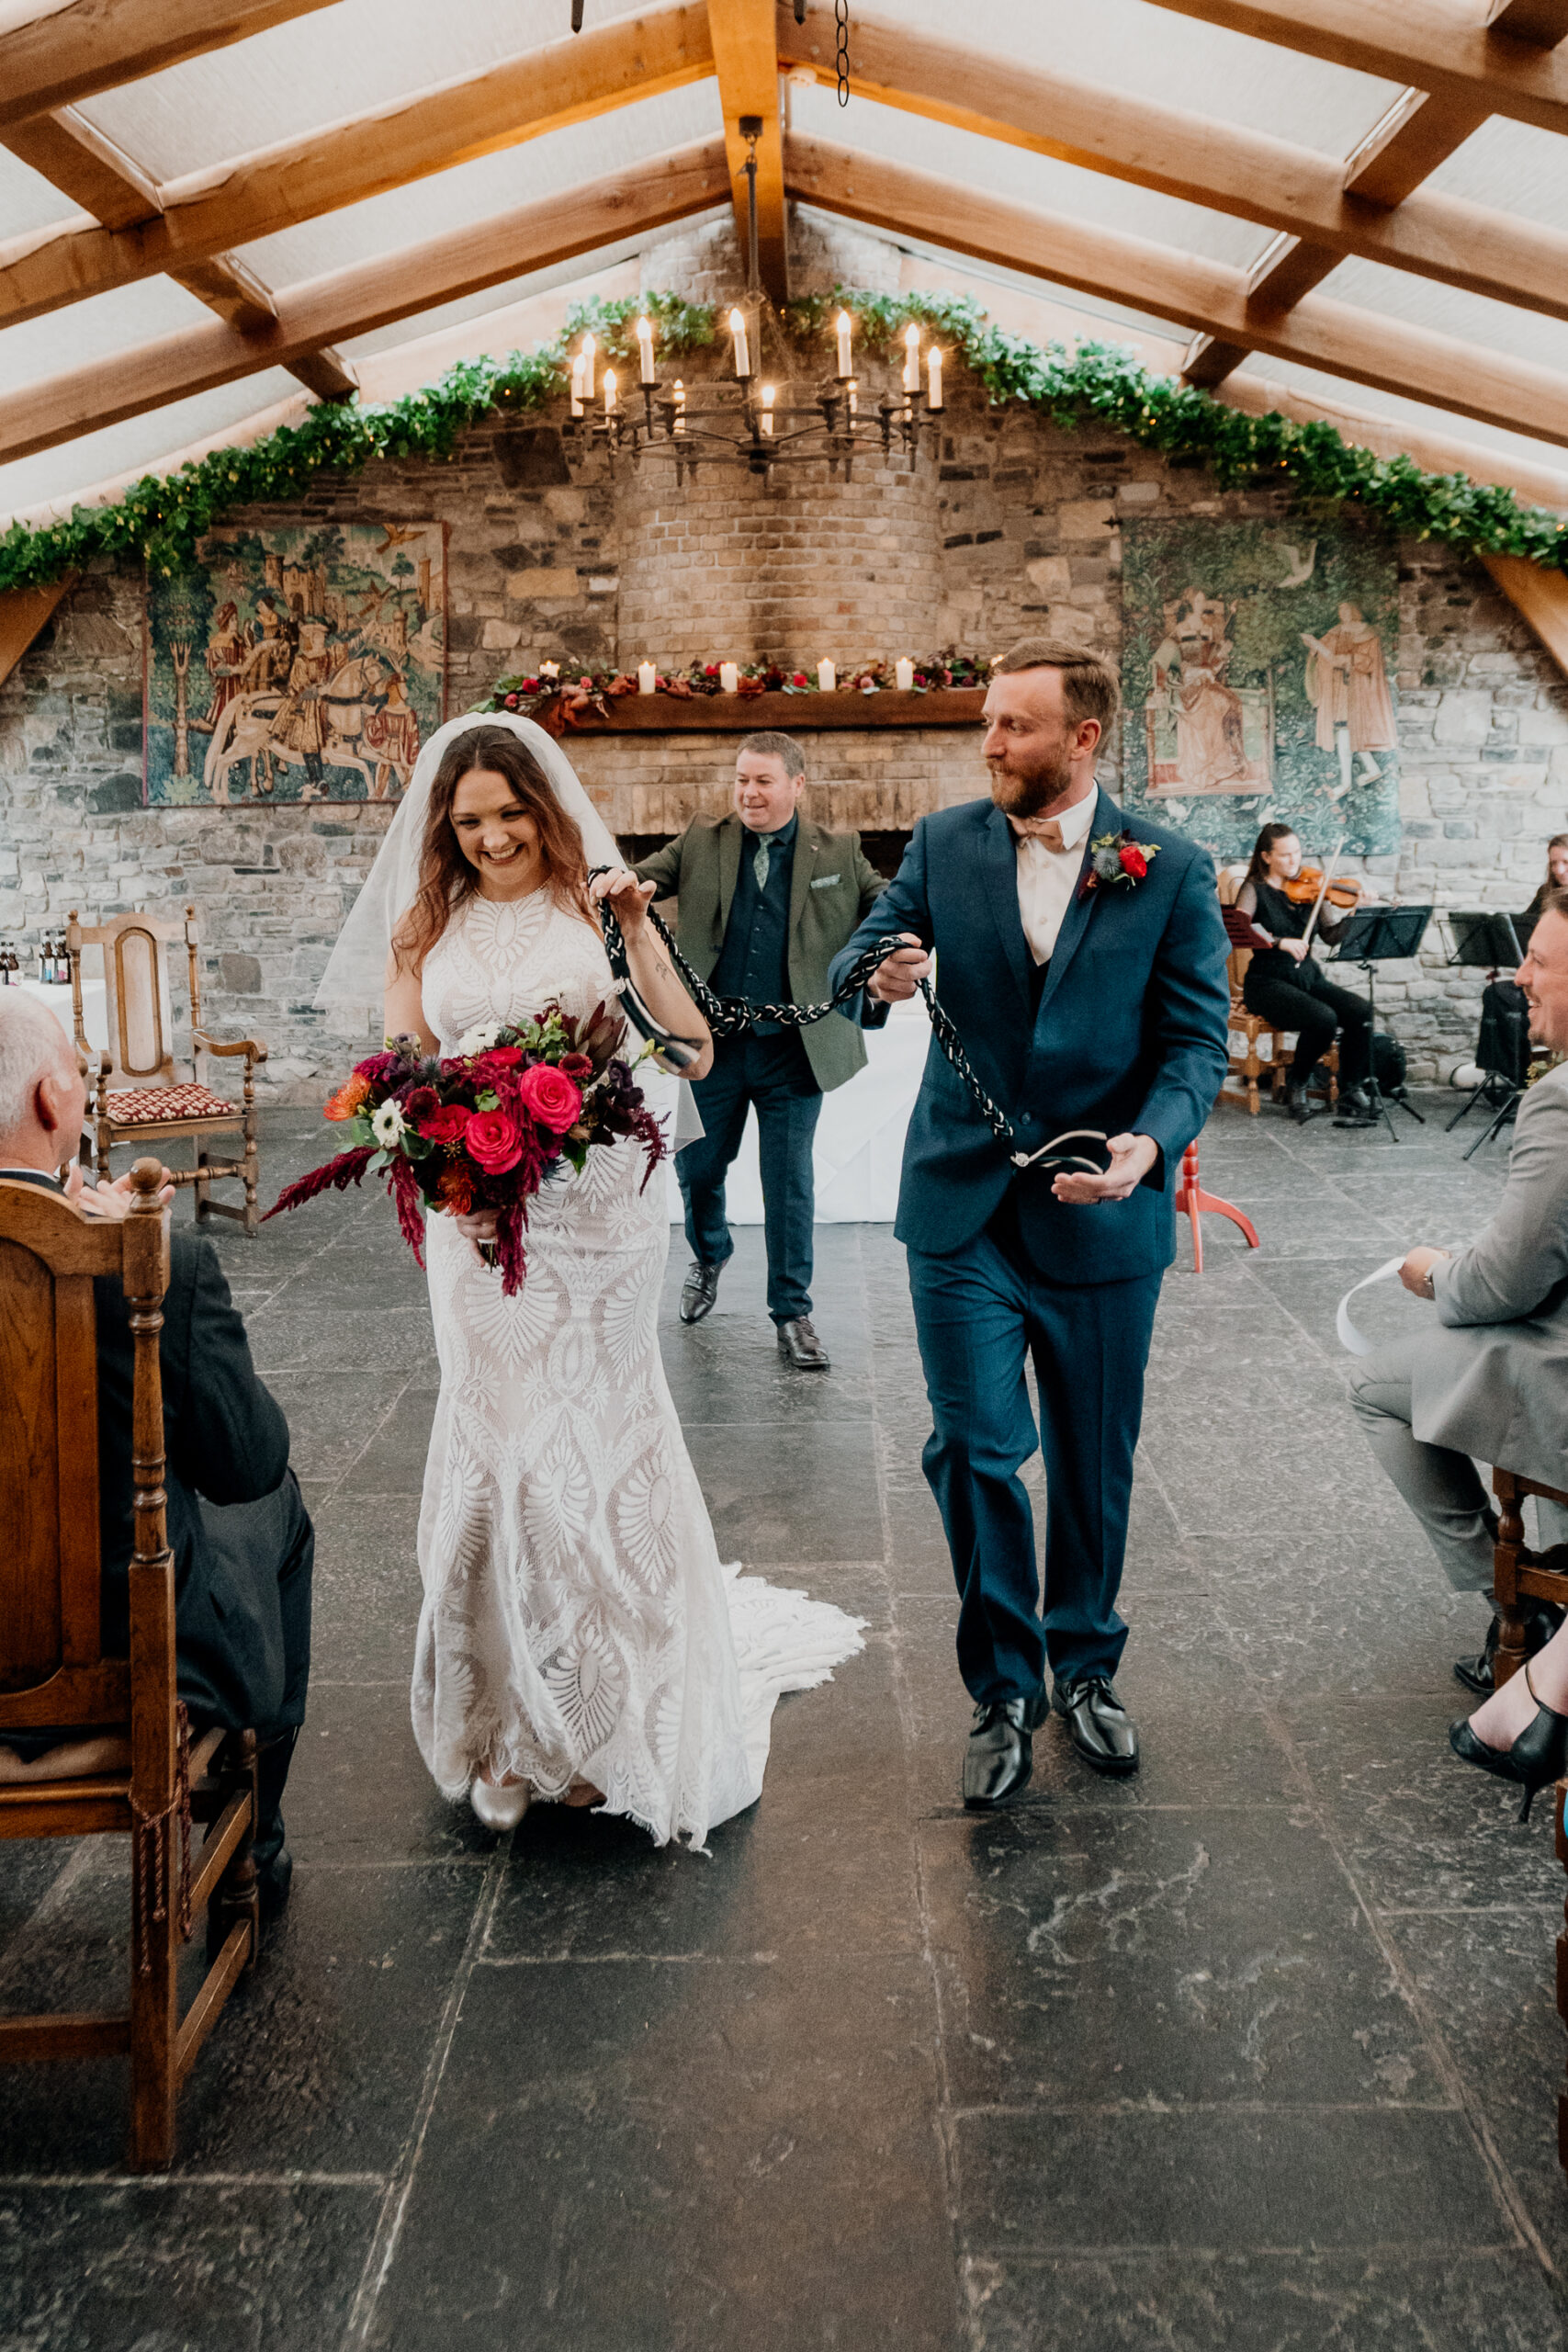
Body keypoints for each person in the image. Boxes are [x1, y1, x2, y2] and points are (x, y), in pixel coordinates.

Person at [349, 713, 863, 1843]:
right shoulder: (420, 924)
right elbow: (397, 1073)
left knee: (585, 1452)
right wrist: (438, 1160)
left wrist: (634, 927)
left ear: (545, 804)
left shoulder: (599, 901)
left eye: (509, 812)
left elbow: (690, 1051)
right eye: (469, 819)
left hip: (595, 1220)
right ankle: (502, 1724)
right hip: (476, 1224)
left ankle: (596, 1722)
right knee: (501, 1463)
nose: (490, 837)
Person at [829, 639, 1231, 1808]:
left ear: (1083, 738)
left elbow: (1195, 1041)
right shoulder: (947, 841)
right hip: (963, 1203)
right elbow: (869, 940)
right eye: (990, 722)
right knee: (978, 1449)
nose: (990, 743)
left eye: (1014, 725)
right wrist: (881, 972)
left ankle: (1088, 1664)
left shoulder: (1171, 867)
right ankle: (1002, 1687)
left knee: (1094, 1459)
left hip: (1102, 1213)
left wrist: (1149, 1146)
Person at [0, 996, 310, 1917]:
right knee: (276, 1505)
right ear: (57, 1100)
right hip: (122, 1658)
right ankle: (252, 1849)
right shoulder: (147, 1257)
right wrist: (150, 1258)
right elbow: (246, 1464)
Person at [1351, 889, 1568, 1732]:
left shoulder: (1561, 1098)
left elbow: (1502, 1285)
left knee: (1375, 1381)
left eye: (1540, 961)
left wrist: (1434, 1272)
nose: (1518, 975)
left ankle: (1514, 1601)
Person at [633, 732, 886, 1371]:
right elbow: (646, 878)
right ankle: (710, 1253)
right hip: (710, 1045)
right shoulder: (701, 839)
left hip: (793, 1050)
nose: (748, 792)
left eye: (763, 781)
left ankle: (792, 1312)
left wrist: (896, 943)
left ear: (796, 785)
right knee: (697, 1169)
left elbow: (883, 901)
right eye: (742, 779)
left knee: (789, 1184)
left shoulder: (839, 850)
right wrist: (622, 886)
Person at [1232, 822, 1376, 1126]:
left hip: (1307, 977)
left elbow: (1331, 936)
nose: (1294, 861)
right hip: (1267, 981)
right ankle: (1297, 1085)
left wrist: (1354, 914)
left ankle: (1351, 1089)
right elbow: (1240, 928)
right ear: (1266, 857)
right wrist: (1279, 942)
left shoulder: (1313, 887)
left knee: (1360, 1011)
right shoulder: (1254, 889)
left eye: (1297, 853)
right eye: (1285, 855)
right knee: (1323, 1018)